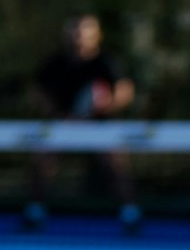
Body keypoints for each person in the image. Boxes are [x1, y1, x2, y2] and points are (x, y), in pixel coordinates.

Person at [25, 13, 141, 232]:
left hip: (100, 126)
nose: (79, 37)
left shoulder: (107, 62)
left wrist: (106, 105)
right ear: (67, 34)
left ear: (96, 35)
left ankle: (130, 214)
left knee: (115, 163)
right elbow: (37, 93)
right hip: (63, 124)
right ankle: (35, 211)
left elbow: (125, 91)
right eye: (74, 31)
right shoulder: (54, 62)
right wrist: (59, 114)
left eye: (84, 32)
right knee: (41, 159)